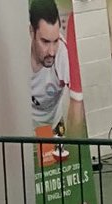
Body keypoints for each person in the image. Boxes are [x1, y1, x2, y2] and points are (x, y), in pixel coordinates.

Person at [30, 0, 86, 136]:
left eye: (55, 41)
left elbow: (78, 101)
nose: (51, 52)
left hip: (53, 126)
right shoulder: (16, 55)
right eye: (45, 42)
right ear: (31, 32)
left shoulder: (62, 53)